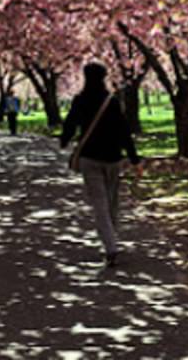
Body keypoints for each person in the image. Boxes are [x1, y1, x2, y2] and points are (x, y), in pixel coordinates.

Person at [59, 62, 142, 267]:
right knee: (112, 202)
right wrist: (133, 157)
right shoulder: (111, 101)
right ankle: (111, 242)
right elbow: (123, 130)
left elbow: (70, 123)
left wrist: (64, 140)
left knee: (100, 204)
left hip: (90, 158)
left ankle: (110, 244)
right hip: (113, 157)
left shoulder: (80, 101)